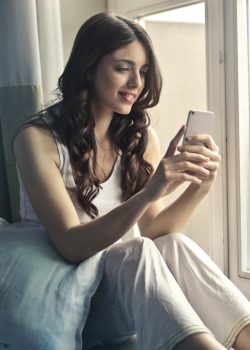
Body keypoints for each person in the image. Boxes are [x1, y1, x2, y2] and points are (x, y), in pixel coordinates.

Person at [9, 11, 250, 350]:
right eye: (123, 68)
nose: (137, 83)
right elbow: (71, 246)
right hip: (68, 297)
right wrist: (150, 192)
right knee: (135, 252)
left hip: (125, 289)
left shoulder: (138, 138)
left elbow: (154, 230)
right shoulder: (36, 139)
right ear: (89, 68)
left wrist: (199, 187)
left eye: (144, 71)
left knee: (173, 245)